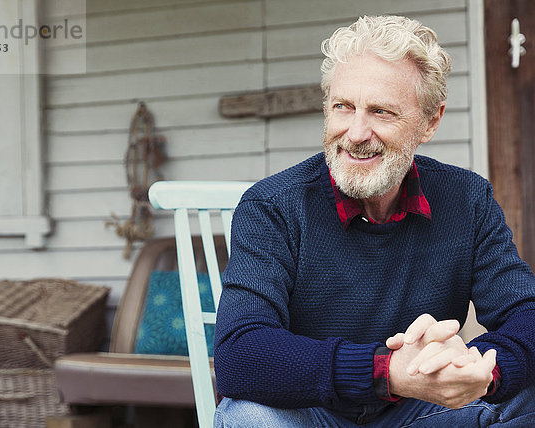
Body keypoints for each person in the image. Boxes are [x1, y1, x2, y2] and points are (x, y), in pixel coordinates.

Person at [213, 15, 535, 427]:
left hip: (422, 416)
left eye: (381, 112)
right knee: (247, 417)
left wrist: (484, 369)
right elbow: (241, 355)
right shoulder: (272, 206)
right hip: (311, 416)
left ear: (430, 122)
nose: (356, 132)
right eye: (342, 107)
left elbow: (526, 312)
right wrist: (387, 371)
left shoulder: (467, 199)